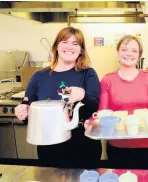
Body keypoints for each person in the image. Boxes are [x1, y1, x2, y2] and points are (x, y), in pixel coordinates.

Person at [15, 27, 102, 168]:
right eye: (64, 42)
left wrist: (82, 95)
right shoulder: (39, 77)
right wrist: (22, 110)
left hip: (84, 147)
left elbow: (94, 105)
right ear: (56, 46)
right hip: (49, 146)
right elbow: (27, 105)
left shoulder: (88, 74)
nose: (69, 47)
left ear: (81, 50)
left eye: (75, 44)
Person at [98, 35, 148, 169]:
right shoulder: (107, 80)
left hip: (145, 144)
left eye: (134, 51)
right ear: (118, 52)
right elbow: (103, 112)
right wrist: (92, 120)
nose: (128, 54)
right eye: (124, 49)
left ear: (139, 55)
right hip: (117, 144)